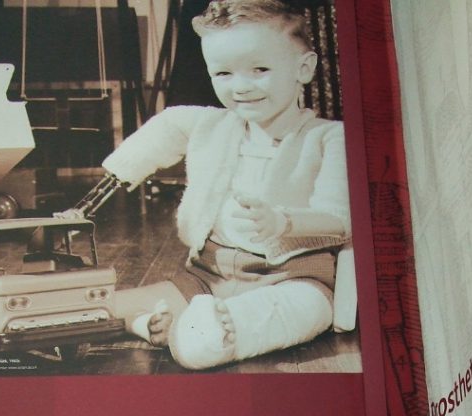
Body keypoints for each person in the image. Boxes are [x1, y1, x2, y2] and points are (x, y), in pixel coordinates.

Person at [95, 0, 355, 369]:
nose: (241, 87)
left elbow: (341, 220)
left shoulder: (329, 138)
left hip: (292, 279)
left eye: (260, 69)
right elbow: (168, 125)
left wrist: (283, 222)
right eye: (223, 73)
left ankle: (207, 332)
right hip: (206, 278)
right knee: (96, 307)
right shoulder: (213, 125)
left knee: (302, 312)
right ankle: (154, 325)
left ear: (304, 68)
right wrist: (108, 183)